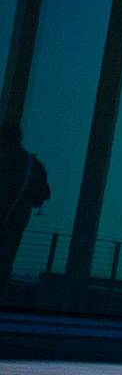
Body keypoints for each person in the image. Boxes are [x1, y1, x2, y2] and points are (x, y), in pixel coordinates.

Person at [0, 123, 49, 295]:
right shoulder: (31, 164)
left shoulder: (10, 161)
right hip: (17, 219)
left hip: (10, 218)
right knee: (5, 260)